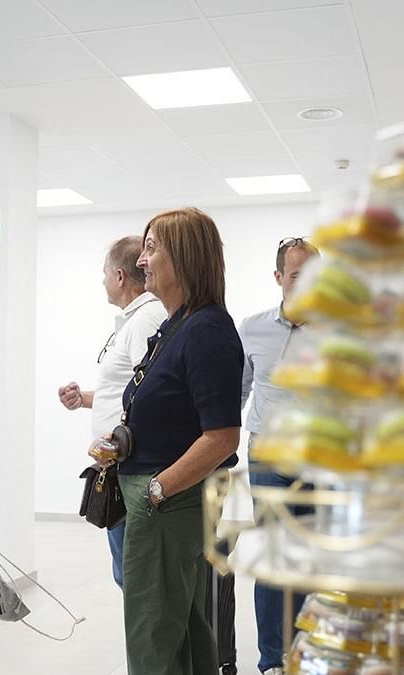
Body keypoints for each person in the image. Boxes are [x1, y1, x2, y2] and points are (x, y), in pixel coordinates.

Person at [105, 207, 243, 675]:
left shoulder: (206, 330)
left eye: (151, 248)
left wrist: (158, 488)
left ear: (184, 256)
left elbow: (222, 436)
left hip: (168, 504)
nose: (142, 261)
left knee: (153, 636)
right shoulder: (177, 325)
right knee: (183, 631)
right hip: (163, 500)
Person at [58, 235, 166, 588]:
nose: (102, 281)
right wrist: (87, 398)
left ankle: (148, 644)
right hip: (121, 465)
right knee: (127, 573)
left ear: (120, 276)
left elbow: (155, 395)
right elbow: (130, 391)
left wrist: (117, 444)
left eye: (104, 273)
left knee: (135, 576)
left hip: (130, 468)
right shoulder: (133, 320)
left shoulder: (146, 319)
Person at [238, 236, 319, 675]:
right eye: (296, 275)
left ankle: (307, 657)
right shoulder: (252, 327)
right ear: (278, 278)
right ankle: (272, 660)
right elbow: (240, 390)